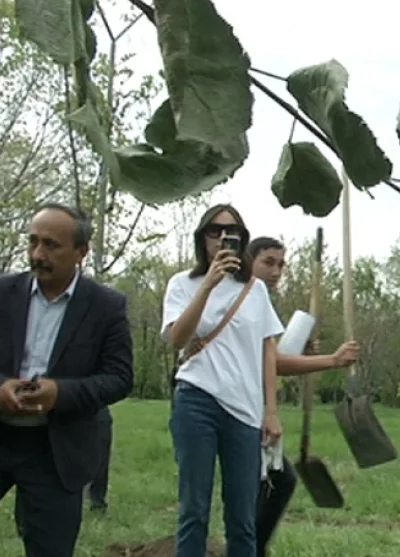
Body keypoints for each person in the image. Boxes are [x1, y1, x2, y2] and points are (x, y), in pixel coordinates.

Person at [0, 203, 133, 557]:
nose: (38, 254)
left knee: (49, 550)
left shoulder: (106, 306)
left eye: (51, 245)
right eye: (33, 242)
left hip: (57, 447)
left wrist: (61, 393)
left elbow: (119, 378)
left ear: (81, 253)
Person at [163, 206, 285, 557]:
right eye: (214, 232)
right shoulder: (182, 284)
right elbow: (177, 338)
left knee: (243, 517)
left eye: (230, 232)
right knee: (194, 511)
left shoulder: (255, 291)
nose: (221, 238)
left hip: (244, 410)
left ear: (241, 240)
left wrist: (271, 411)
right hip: (196, 400)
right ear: (202, 238)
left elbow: (267, 349)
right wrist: (208, 285)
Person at [245, 236, 359, 557]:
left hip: (257, 406)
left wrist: (304, 354)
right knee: (271, 483)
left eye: (281, 264)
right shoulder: (244, 299)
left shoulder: (261, 302)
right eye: (268, 262)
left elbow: (273, 359)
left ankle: (252, 549)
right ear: (247, 260)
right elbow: (275, 362)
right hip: (240, 408)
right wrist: (332, 361)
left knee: (273, 483)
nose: (276, 271)